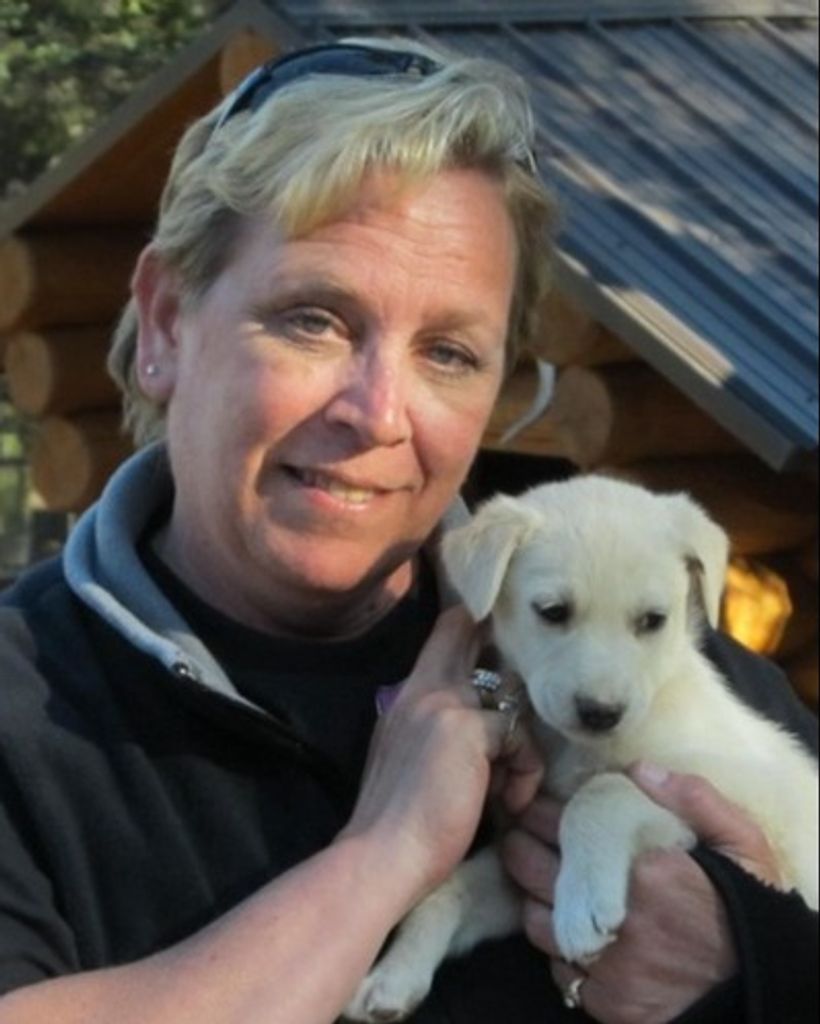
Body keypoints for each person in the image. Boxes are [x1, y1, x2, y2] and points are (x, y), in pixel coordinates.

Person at [0, 36, 816, 1024]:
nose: (378, 413)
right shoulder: (24, 710)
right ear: (168, 322)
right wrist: (383, 856)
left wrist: (759, 958)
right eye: (312, 318)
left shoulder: (676, 666)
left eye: (448, 353)